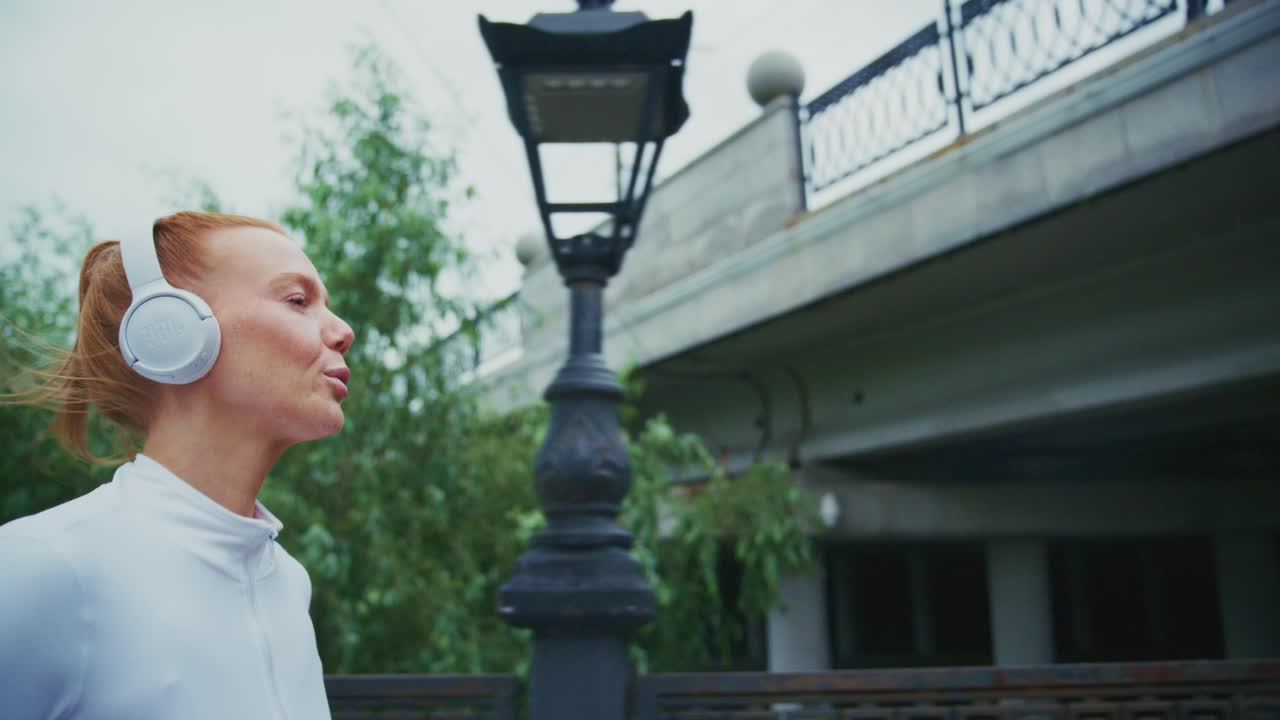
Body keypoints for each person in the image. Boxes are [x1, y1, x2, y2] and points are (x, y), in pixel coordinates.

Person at [0, 211, 355, 720]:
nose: (343, 330)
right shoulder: (44, 567)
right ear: (169, 330)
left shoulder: (288, 584)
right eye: (297, 300)